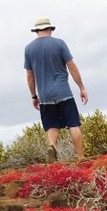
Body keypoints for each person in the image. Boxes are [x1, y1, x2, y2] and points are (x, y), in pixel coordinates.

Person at [24, 17, 89, 162]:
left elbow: (30, 75)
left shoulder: (28, 49)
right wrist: (81, 87)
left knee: (51, 125)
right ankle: (80, 157)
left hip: (45, 95)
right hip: (63, 92)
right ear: (49, 29)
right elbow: (72, 67)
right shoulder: (59, 44)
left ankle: (52, 146)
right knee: (73, 123)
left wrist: (34, 96)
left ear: (36, 31)